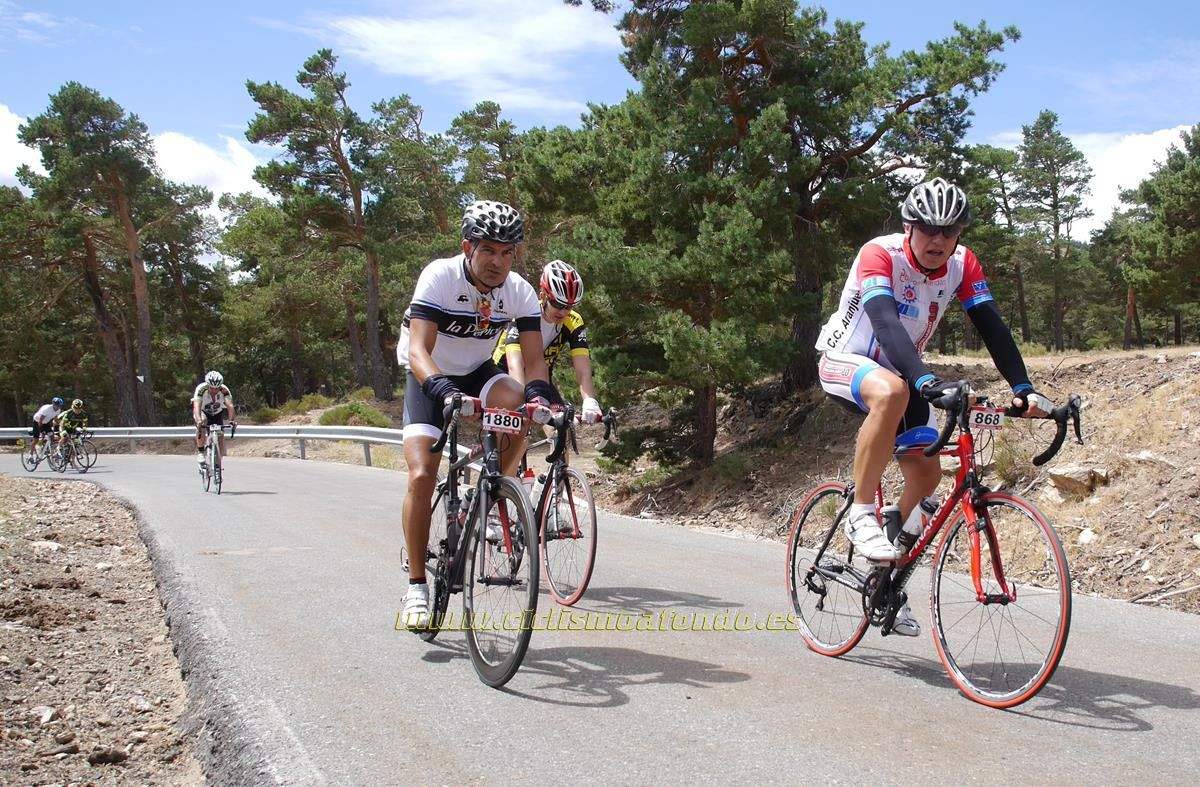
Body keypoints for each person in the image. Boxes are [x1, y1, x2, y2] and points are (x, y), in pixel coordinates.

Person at [814, 177, 1053, 636]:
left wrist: (1024, 387)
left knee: (925, 479)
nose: (938, 240)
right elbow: (883, 321)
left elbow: (991, 325)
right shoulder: (879, 253)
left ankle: (883, 579)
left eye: (949, 231)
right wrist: (923, 379)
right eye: (927, 229)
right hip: (847, 361)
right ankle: (861, 512)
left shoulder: (962, 265)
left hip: (904, 376)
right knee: (891, 392)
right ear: (909, 226)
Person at [396, 200, 555, 629]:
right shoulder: (440, 277)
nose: (498, 262)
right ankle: (415, 584)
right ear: (467, 246)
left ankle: (488, 491)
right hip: (428, 372)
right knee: (421, 476)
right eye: (488, 250)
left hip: (477, 370)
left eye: (507, 253)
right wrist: (442, 388)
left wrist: (541, 396)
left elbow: (535, 359)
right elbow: (418, 349)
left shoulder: (518, 290)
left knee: (519, 402)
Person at [492, 259, 604, 423]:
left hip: (541, 376)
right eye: (557, 303)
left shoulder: (573, 322)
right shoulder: (526, 314)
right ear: (543, 295)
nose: (563, 311)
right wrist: (521, 402)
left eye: (569, 306)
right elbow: (514, 364)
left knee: (561, 427)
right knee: (518, 427)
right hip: (505, 373)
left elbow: (582, 369)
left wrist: (589, 401)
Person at [192, 370, 236, 469]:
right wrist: (198, 420)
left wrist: (232, 420)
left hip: (217, 413)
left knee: (222, 448)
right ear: (207, 385)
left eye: (217, 388)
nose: (214, 390)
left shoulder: (224, 390)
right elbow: (197, 406)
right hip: (203, 412)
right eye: (212, 388)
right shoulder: (201, 389)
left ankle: (217, 468)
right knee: (202, 422)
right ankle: (200, 452)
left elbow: (230, 406)